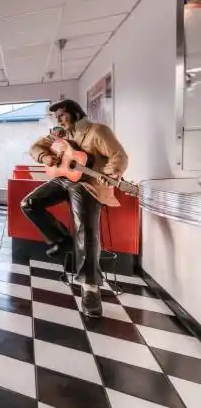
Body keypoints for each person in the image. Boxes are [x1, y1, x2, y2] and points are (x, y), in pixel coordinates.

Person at [22, 99, 128, 317]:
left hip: (88, 184)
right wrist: (46, 156)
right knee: (29, 203)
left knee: (86, 230)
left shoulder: (97, 131)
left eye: (62, 115)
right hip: (63, 179)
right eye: (56, 117)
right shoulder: (60, 134)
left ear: (76, 113)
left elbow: (119, 156)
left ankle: (90, 289)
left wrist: (111, 172)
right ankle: (63, 241)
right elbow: (34, 148)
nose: (59, 120)